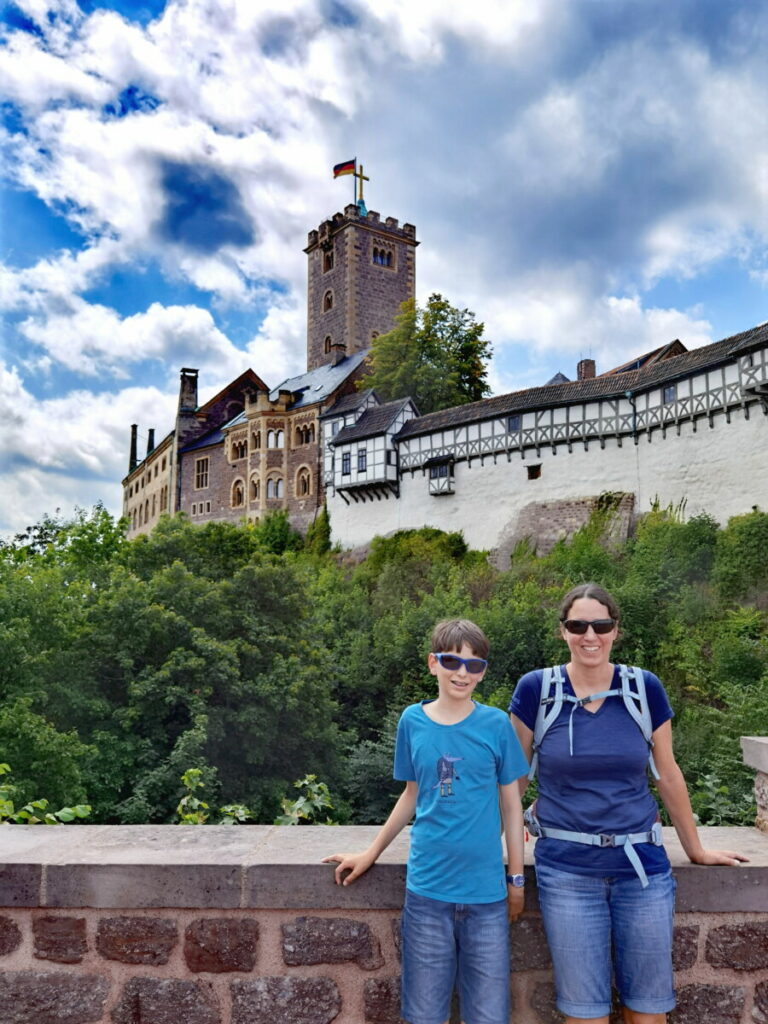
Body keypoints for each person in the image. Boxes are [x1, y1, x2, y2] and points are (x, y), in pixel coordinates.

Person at [508, 582, 749, 1024]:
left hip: (643, 871)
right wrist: (508, 864)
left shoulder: (643, 688)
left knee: (648, 1011)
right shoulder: (537, 690)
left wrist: (695, 850)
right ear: (563, 631)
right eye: (577, 625)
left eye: (601, 625)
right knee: (586, 1014)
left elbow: (668, 774)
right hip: (566, 871)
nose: (590, 635)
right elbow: (514, 783)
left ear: (616, 630)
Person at [324, 618, 529, 1024]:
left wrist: (516, 880)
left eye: (475, 665)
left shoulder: (495, 725)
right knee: (423, 1015)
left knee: (489, 1016)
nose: (463, 673)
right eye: (453, 661)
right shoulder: (411, 722)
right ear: (433, 663)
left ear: (483, 673)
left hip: (486, 896)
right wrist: (372, 852)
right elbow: (412, 795)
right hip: (427, 894)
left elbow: (511, 805)